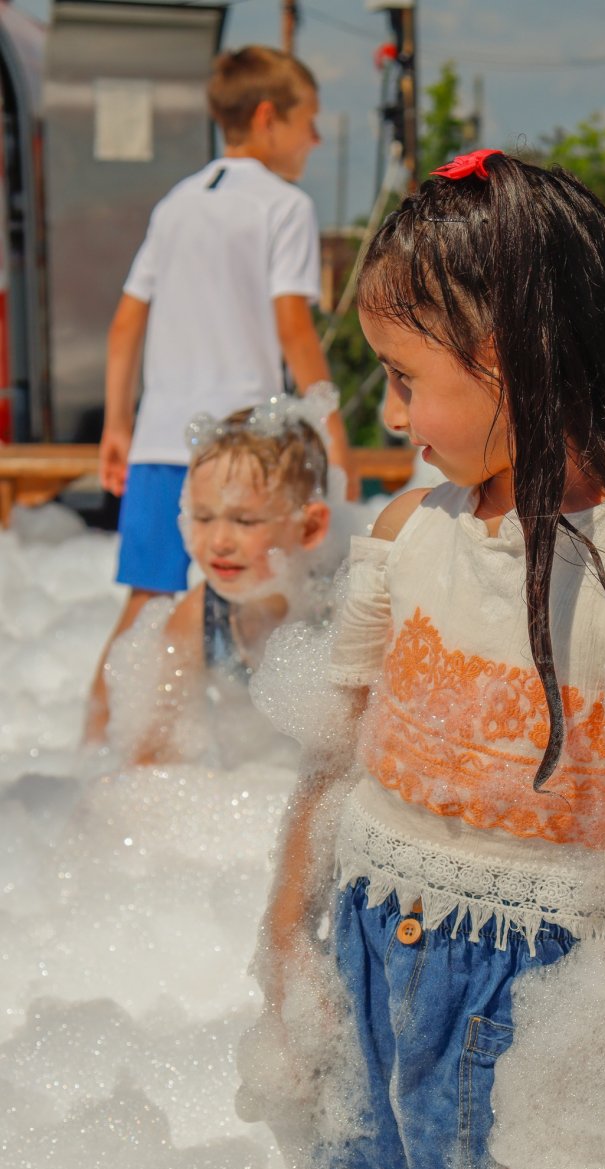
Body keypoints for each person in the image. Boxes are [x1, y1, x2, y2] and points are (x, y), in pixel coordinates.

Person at [242, 151, 605, 1169]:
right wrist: (290, 930)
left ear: (520, 365)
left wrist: (603, 1045)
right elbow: (335, 763)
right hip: (368, 940)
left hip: (525, 994)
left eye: (402, 378)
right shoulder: (401, 538)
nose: (390, 416)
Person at [86, 45, 355, 742]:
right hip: (244, 450)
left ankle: (97, 749)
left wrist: (118, 422)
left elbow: (124, 324)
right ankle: (269, 752)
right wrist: (329, 425)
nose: (314, 141)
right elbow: (292, 324)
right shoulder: (285, 206)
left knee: (147, 610)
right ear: (268, 119)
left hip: (159, 437)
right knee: (269, 602)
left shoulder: (176, 203)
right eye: (309, 123)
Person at [104, 392, 331, 768]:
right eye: (204, 517)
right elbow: (153, 750)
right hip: (246, 796)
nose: (219, 542)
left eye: (244, 521)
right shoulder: (200, 616)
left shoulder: (339, 605)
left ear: (309, 527)